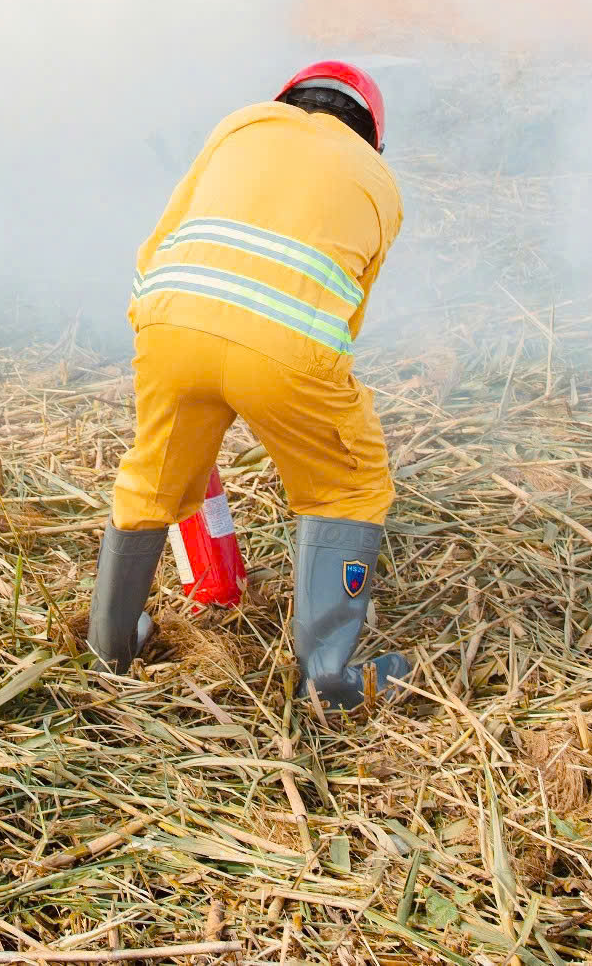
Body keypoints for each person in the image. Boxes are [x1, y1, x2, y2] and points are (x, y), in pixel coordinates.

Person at [87, 62, 411, 708]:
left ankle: (110, 644)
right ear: (373, 134)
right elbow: (349, 308)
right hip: (286, 350)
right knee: (350, 486)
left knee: (152, 478)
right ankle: (328, 681)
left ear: (286, 99)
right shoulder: (380, 180)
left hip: (172, 323)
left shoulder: (238, 127)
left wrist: (157, 334)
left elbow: (161, 239)